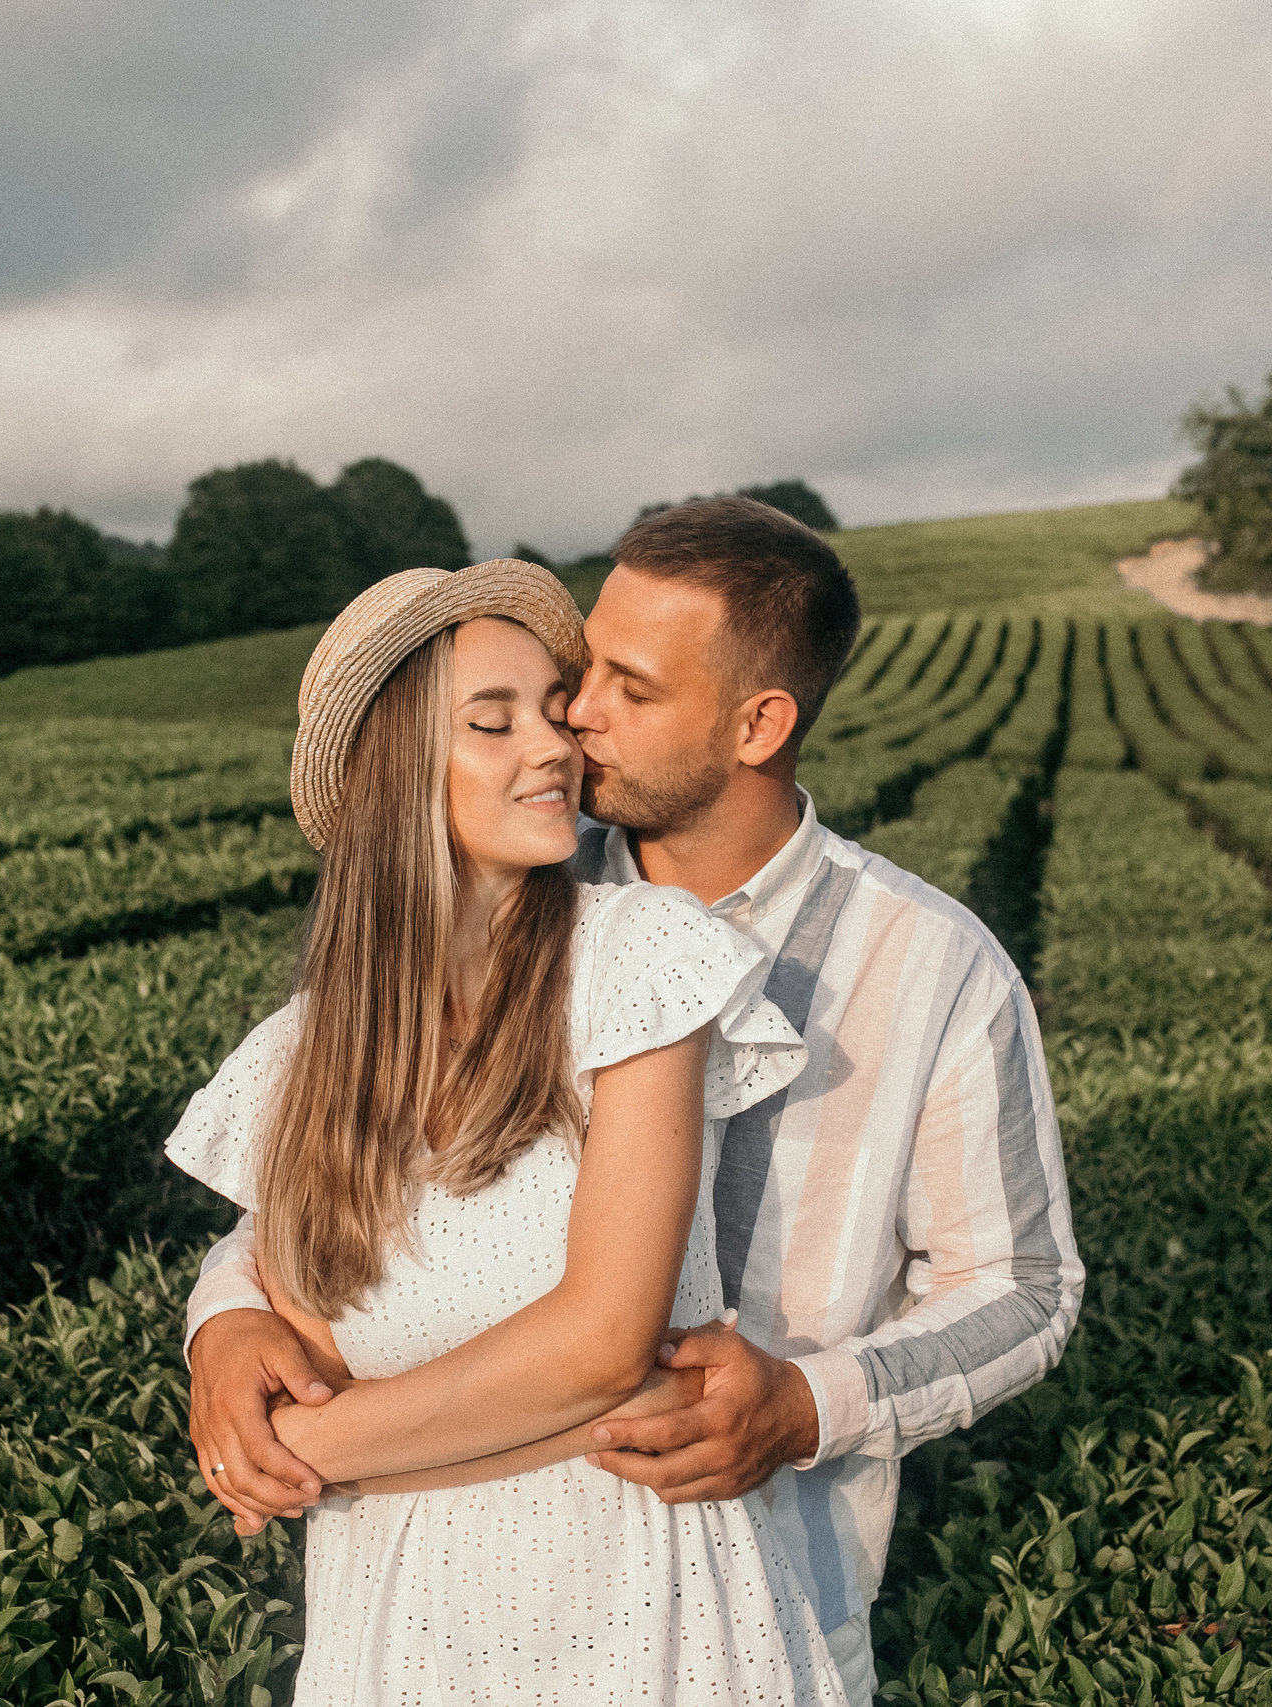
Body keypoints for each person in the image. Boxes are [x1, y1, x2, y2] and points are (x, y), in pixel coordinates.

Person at [186, 500, 1085, 1704]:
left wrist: (804, 1404)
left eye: (629, 687)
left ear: (758, 723)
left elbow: (1023, 1287)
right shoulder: (515, 906)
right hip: (421, 1592)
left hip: (756, 1594)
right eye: (579, 671)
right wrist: (226, 1323)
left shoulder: (930, 964)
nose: (577, 715)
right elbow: (343, 1204)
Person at [164, 559, 847, 1702]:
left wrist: (303, 1457)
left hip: (640, 1609)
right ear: (395, 778)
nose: (555, 745)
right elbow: (314, 1356)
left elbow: (602, 1345)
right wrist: (229, 1336)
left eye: (551, 708)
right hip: (393, 1627)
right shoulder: (295, 1060)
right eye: (494, 721)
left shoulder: (634, 957)